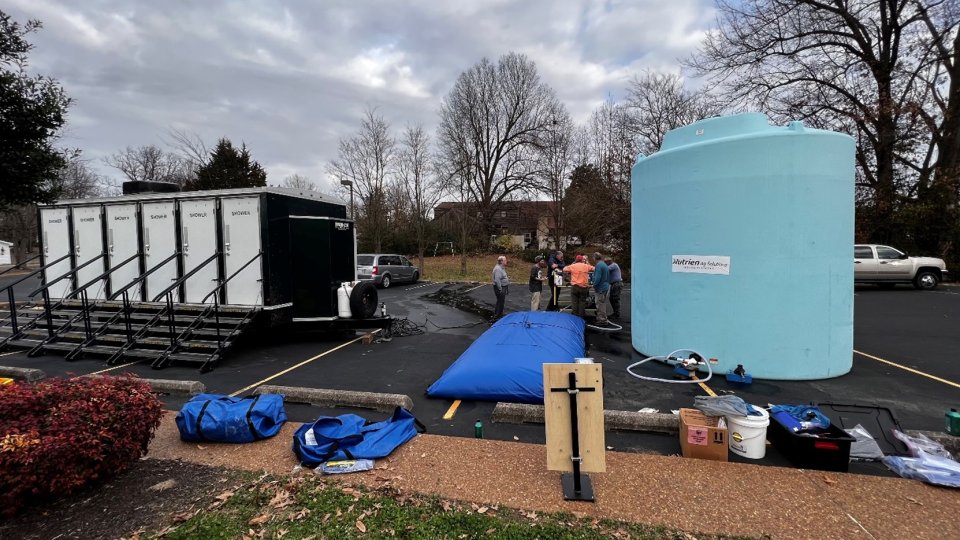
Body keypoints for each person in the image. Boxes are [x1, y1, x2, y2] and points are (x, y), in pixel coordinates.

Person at [591, 252, 611, 326]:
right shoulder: (604, 264)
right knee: (602, 303)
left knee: (600, 304)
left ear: (594, 258)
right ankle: (603, 318)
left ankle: (602, 320)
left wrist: (593, 284)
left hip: (601, 288)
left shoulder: (599, 265)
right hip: (605, 286)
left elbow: (597, 277)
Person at [492, 255, 509, 320]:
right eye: (505, 260)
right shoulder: (498, 269)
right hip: (500, 287)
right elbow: (497, 280)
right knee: (500, 302)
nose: (506, 261)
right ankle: (497, 316)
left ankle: (498, 314)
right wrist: (500, 289)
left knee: (500, 301)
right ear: (501, 261)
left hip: (503, 286)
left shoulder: (502, 267)